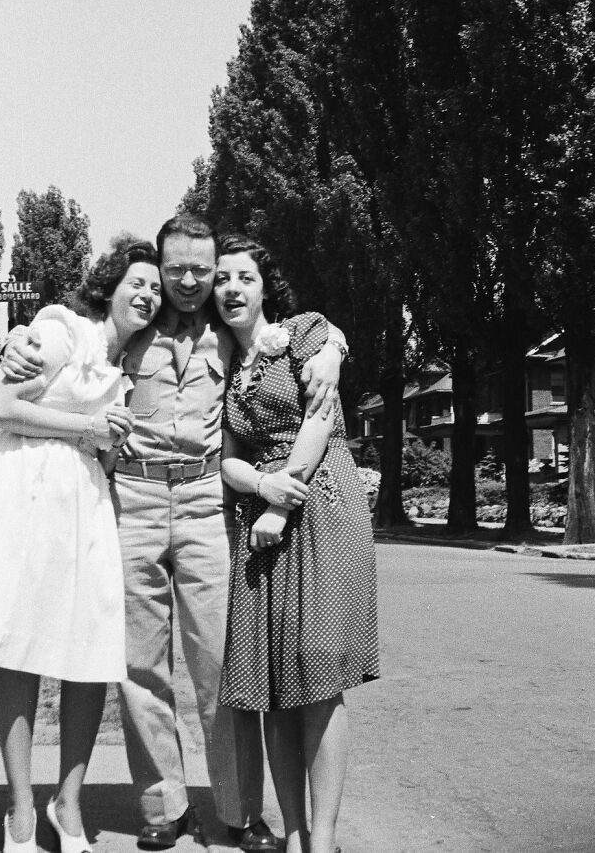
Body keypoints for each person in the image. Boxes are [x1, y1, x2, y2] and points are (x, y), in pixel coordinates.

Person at [0, 214, 347, 852]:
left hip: (204, 498)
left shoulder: (232, 330)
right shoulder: (130, 323)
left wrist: (333, 345)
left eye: (202, 270)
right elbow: (67, 339)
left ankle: (241, 812)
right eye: (176, 269)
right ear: (158, 269)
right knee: (139, 665)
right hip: (129, 497)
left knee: (220, 662)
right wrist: (19, 337)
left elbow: (305, 333)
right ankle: (163, 804)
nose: (189, 281)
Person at [0, 243, 162, 853]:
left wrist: (109, 439)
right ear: (109, 287)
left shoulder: (128, 367)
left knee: (88, 647)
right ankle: (20, 812)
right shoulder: (62, 332)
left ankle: (69, 805)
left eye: (155, 288)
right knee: (21, 647)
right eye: (136, 282)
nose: (147, 294)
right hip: (28, 490)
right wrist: (86, 428)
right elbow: (0, 408)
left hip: (83, 500)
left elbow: (106, 452)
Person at [213, 234, 379, 853]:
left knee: (318, 680)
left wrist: (280, 507)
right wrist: (260, 484)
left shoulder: (307, 333)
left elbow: (320, 419)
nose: (232, 288)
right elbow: (229, 460)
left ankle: (324, 840)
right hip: (261, 512)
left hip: (320, 503)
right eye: (222, 278)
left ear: (264, 287)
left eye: (245, 277)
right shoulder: (229, 369)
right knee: (273, 686)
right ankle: (294, 833)